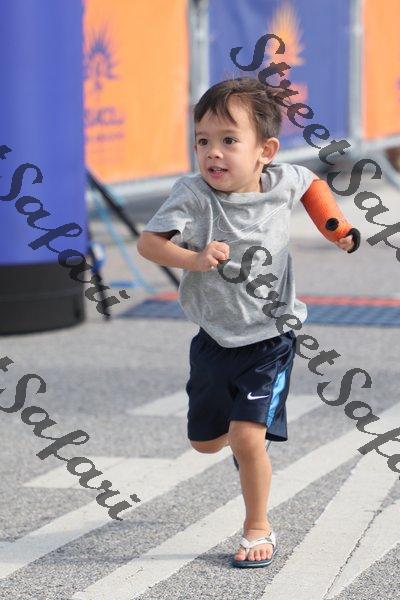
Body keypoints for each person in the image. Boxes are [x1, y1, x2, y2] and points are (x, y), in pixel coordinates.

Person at [137, 77, 359, 568]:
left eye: (229, 140)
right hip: (214, 339)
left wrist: (337, 228)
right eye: (203, 141)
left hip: (270, 338)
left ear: (266, 151)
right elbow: (149, 244)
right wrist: (193, 258)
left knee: (245, 437)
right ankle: (238, 434)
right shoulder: (192, 193)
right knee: (203, 444)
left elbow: (313, 185)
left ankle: (258, 526)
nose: (213, 153)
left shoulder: (282, 181)